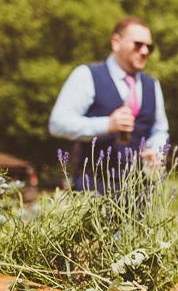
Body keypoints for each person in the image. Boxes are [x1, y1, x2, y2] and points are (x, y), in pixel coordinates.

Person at [49, 16, 168, 190]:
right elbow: (57, 123)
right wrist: (107, 124)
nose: (145, 51)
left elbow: (160, 130)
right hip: (93, 189)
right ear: (116, 42)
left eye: (149, 47)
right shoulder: (86, 75)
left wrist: (155, 150)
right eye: (138, 44)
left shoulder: (153, 85)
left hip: (140, 191)